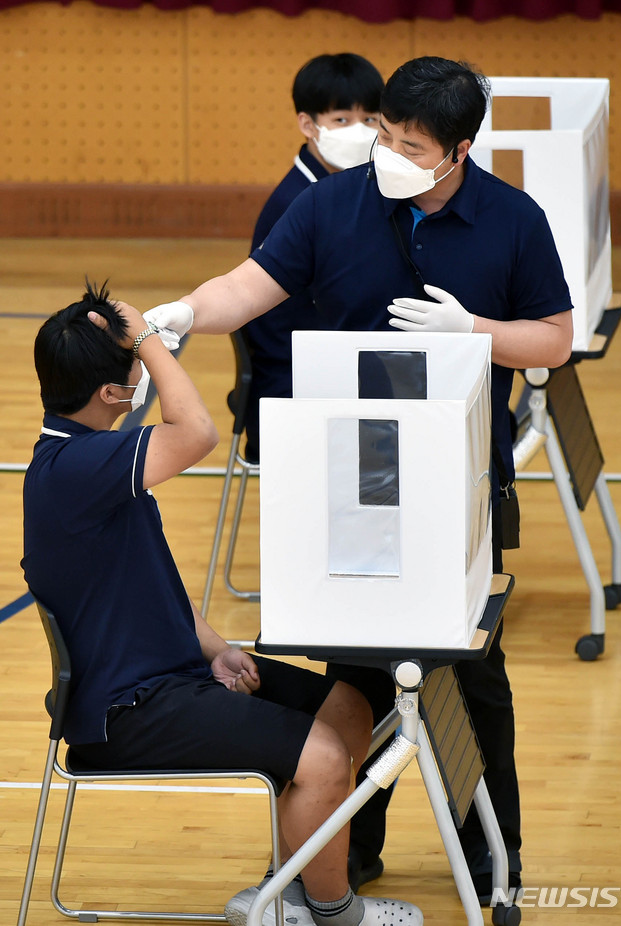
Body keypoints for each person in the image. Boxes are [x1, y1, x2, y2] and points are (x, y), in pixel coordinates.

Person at [144, 55, 574, 905]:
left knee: (470, 677)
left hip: (460, 479)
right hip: (355, 474)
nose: (386, 152)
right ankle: (345, 853)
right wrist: (187, 312)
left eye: (409, 144)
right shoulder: (331, 205)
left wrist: (476, 332)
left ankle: (496, 854)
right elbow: (248, 287)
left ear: (457, 151)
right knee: (356, 672)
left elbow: (555, 341)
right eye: (383, 133)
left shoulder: (513, 220)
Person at [21, 282, 424, 926]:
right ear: (113, 396)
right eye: (135, 368)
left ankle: (286, 886)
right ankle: (334, 912)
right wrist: (151, 339)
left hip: (167, 676)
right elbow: (199, 431)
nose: (145, 372)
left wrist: (215, 648)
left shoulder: (88, 460)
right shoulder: (79, 466)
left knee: (346, 708)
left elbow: (152, 588)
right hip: (127, 711)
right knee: (321, 758)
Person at [243, 52, 384, 461]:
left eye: (371, 119)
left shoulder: (349, 185)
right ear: (308, 124)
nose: (359, 131)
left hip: (328, 359)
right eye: (341, 120)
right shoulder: (300, 202)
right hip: (296, 384)